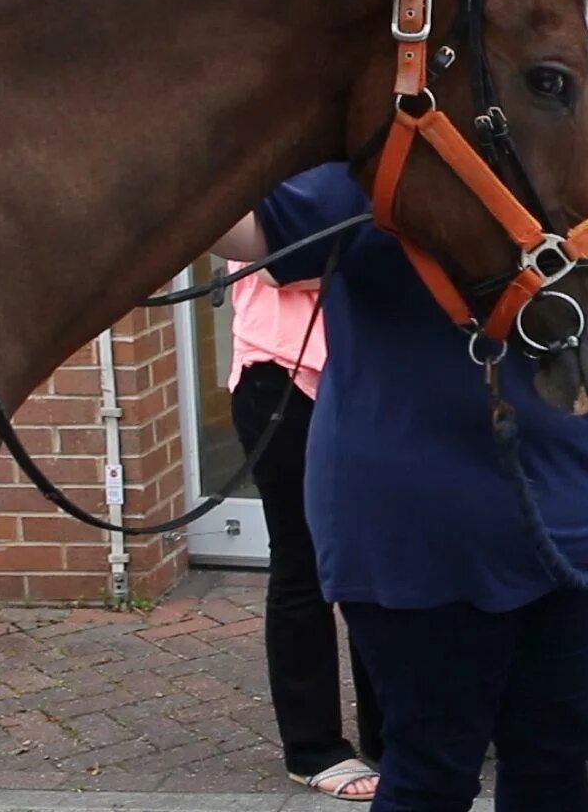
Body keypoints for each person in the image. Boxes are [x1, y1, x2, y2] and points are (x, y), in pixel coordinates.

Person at [210, 170, 588, 812]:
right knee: (434, 771)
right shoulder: (377, 158)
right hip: (420, 533)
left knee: (552, 758)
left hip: (570, 517)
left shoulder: (577, 140)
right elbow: (251, 238)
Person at [226, 264, 382, 801]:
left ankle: (390, 732)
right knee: (303, 563)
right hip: (284, 376)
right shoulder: (275, 180)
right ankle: (313, 748)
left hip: (372, 378)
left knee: (383, 558)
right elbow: (281, 264)